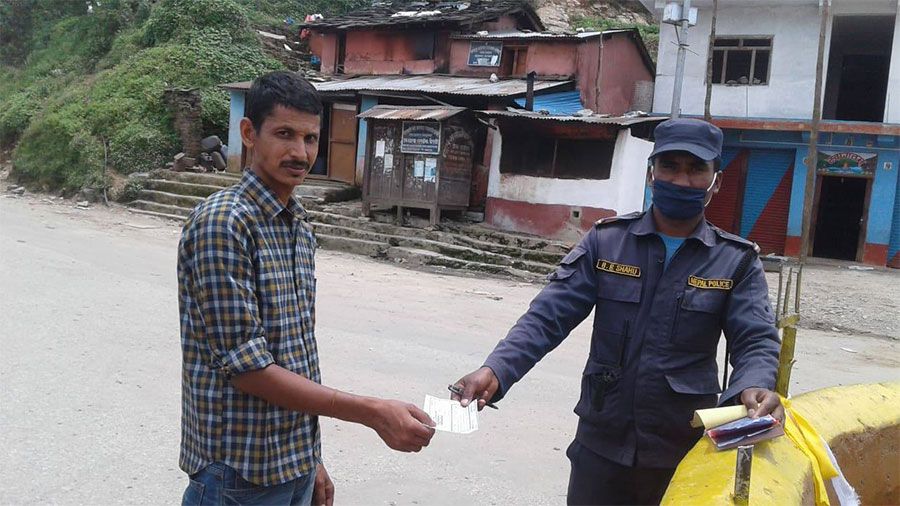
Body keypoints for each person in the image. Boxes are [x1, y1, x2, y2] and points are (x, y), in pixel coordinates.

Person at [451, 118, 784, 505]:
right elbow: (547, 317)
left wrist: (754, 384)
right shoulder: (606, 243)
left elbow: (756, 339)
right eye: (670, 166)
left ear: (717, 182)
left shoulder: (735, 262)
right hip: (601, 443)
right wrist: (496, 369)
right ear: (651, 174)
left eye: (696, 169)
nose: (681, 180)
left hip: (681, 448)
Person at [178, 71, 435, 506]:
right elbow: (248, 367)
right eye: (284, 134)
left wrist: (310, 458)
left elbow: (294, 354)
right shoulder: (224, 224)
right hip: (239, 476)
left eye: (310, 138)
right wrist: (372, 412)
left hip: (290, 464)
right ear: (249, 133)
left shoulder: (295, 222)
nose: (300, 152)